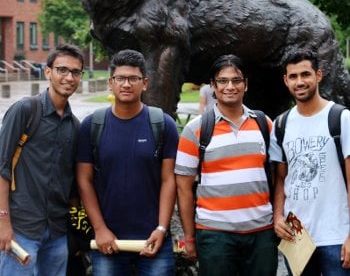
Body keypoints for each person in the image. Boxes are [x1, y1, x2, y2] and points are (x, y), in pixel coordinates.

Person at [76, 49, 179, 275]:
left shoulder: (163, 124)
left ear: (145, 83)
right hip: (108, 239)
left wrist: (162, 228)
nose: (126, 84)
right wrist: (100, 229)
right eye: (120, 78)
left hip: (154, 237)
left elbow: (169, 179)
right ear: (110, 83)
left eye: (133, 78)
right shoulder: (92, 125)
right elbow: (84, 180)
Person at [175, 54, 277, 276]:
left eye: (236, 80)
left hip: (261, 233)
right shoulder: (195, 130)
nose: (230, 86)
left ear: (245, 84)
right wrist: (189, 237)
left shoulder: (264, 124)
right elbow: (183, 188)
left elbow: (278, 177)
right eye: (222, 81)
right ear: (213, 86)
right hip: (215, 236)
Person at [0, 43, 84, 275]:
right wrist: (3, 223)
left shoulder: (75, 127)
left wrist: (76, 231)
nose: (69, 77)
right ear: (48, 72)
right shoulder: (25, 110)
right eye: (62, 70)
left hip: (56, 232)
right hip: (21, 228)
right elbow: (2, 168)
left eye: (75, 72)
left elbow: (72, 184)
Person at [270, 48, 350, 275]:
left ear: (318, 75)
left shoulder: (341, 118)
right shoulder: (281, 125)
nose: (300, 82)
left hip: (336, 234)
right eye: (293, 76)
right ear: (286, 80)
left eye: (305, 74)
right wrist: (277, 217)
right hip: (297, 235)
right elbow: (281, 179)